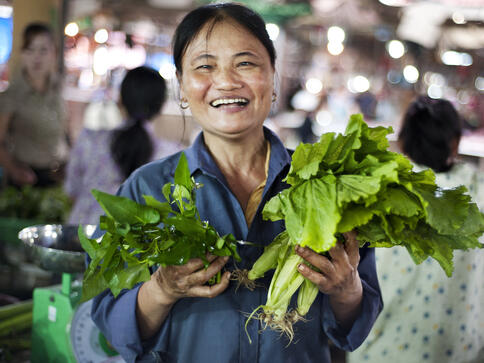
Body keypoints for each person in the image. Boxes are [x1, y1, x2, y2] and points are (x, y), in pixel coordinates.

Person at [91, 4, 383, 362]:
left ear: (273, 81)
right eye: (205, 66)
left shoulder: (329, 184)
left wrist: (346, 289)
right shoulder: (146, 189)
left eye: (245, 63)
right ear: (182, 86)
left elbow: (356, 326)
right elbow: (112, 326)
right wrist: (161, 289)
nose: (227, 81)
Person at [348, 96, 484, 363]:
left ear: (403, 142)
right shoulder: (477, 192)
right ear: (454, 143)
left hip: (378, 350)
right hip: (455, 350)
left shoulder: (380, 190)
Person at [64, 66, 181, 225]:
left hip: (81, 236)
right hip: (136, 246)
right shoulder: (171, 156)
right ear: (160, 106)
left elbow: (72, 190)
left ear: (120, 99)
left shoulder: (90, 141)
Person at [0, 23, 69, 187]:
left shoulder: (58, 87)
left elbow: (64, 131)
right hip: (25, 181)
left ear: (54, 53)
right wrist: (14, 170)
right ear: (22, 54)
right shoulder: (12, 95)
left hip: (57, 178)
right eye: (30, 50)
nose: (36, 57)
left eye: (43, 50)